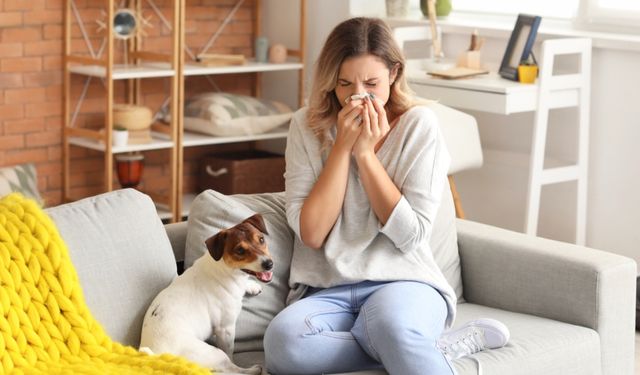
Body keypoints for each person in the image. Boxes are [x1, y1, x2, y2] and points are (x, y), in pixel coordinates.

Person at [264, 17, 508, 375]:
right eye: (344, 84)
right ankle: (428, 347)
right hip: (325, 288)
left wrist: (364, 155)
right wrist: (341, 150)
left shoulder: (418, 125)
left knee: (391, 327)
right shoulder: (306, 125)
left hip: (403, 281)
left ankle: (406, 342)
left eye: (372, 83)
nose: (356, 96)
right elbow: (312, 233)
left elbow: (410, 236)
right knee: (284, 346)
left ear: (394, 74)